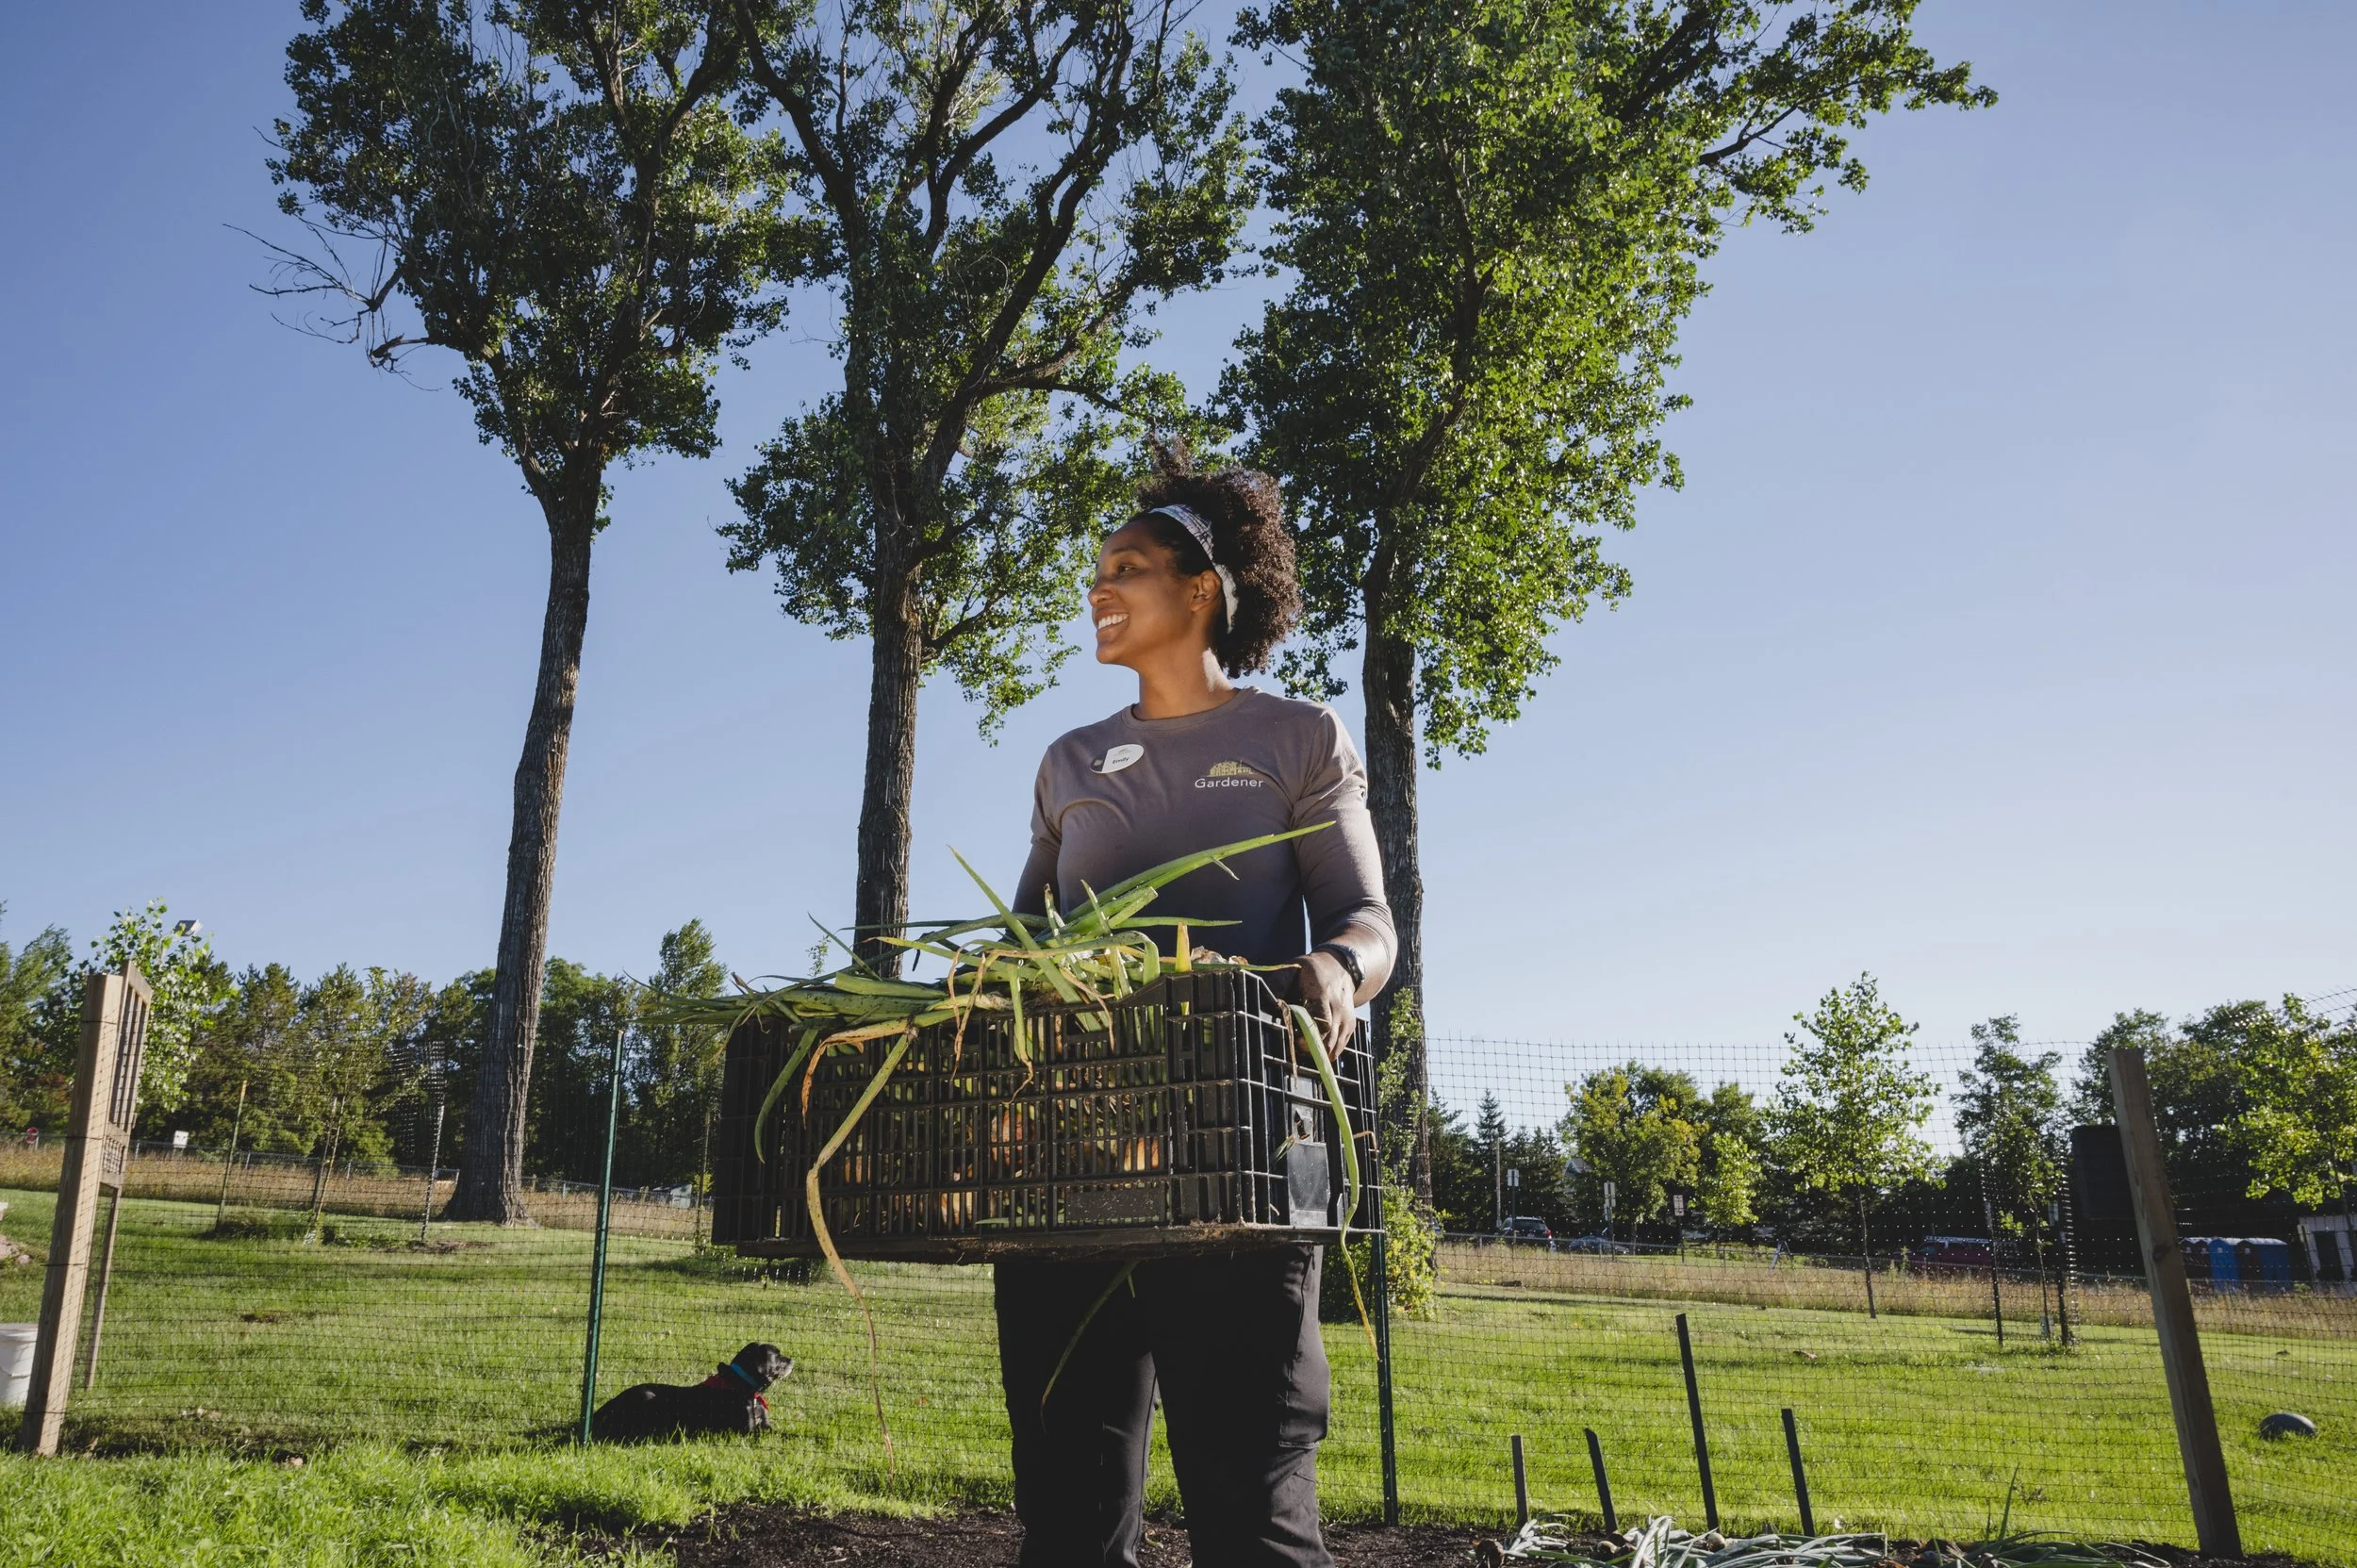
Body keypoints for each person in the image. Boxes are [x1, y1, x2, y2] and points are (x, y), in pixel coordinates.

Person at [995, 455, 1396, 1568]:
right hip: (1071, 1170)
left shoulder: (1297, 738)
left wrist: (1337, 967)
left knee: (1252, 1515)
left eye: (1126, 566)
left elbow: (1368, 919)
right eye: (1097, 570)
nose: (1099, 585)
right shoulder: (1070, 760)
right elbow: (1023, 947)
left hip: (1239, 1163)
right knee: (1067, 1522)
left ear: (1202, 587)